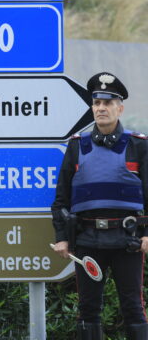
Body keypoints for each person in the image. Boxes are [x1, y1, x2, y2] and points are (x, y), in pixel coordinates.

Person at [51, 72, 148, 340]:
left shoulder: (138, 146)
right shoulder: (76, 146)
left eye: (108, 103)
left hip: (126, 241)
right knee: (88, 309)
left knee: (133, 307)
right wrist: (61, 238)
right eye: (97, 103)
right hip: (88, 240)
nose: (101, 108)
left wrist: (147, 235)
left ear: (120, 108)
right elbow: (61, 199)